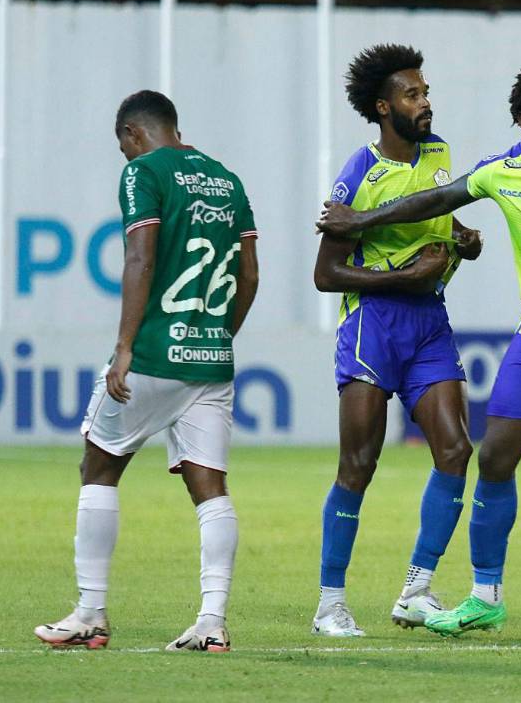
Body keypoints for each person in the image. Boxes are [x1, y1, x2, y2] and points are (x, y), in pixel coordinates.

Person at [317, 66, 521, 643]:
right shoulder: (493, 172)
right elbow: (423, 209)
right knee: (486, 458)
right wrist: (365, 223)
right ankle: (470, 596)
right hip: (506, 338)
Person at [35, 91, 259, 652]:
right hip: (211, 358)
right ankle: (212, 620)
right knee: (210, 488)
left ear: (134, 134)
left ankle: (90, 611)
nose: (124, 158)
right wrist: (216, 337)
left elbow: (141, 257)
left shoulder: (144, 173)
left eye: (123, 147)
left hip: (156, 353)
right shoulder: (227, 179)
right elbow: (250, 275)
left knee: (99, 466)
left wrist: (125, 346)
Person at [310, 44, 482, 637]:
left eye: (426, 91)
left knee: (457, 451)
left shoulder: (439, 152)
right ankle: (330, 603)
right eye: (412, 94)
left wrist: (461, 238)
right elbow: (325, 274)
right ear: (384, 107)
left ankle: (417, 589)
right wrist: (399, 277)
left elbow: (437, 215)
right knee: (359, 464)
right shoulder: (359, 173)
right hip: (372, 325)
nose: (425, 102)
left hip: (428, 321)